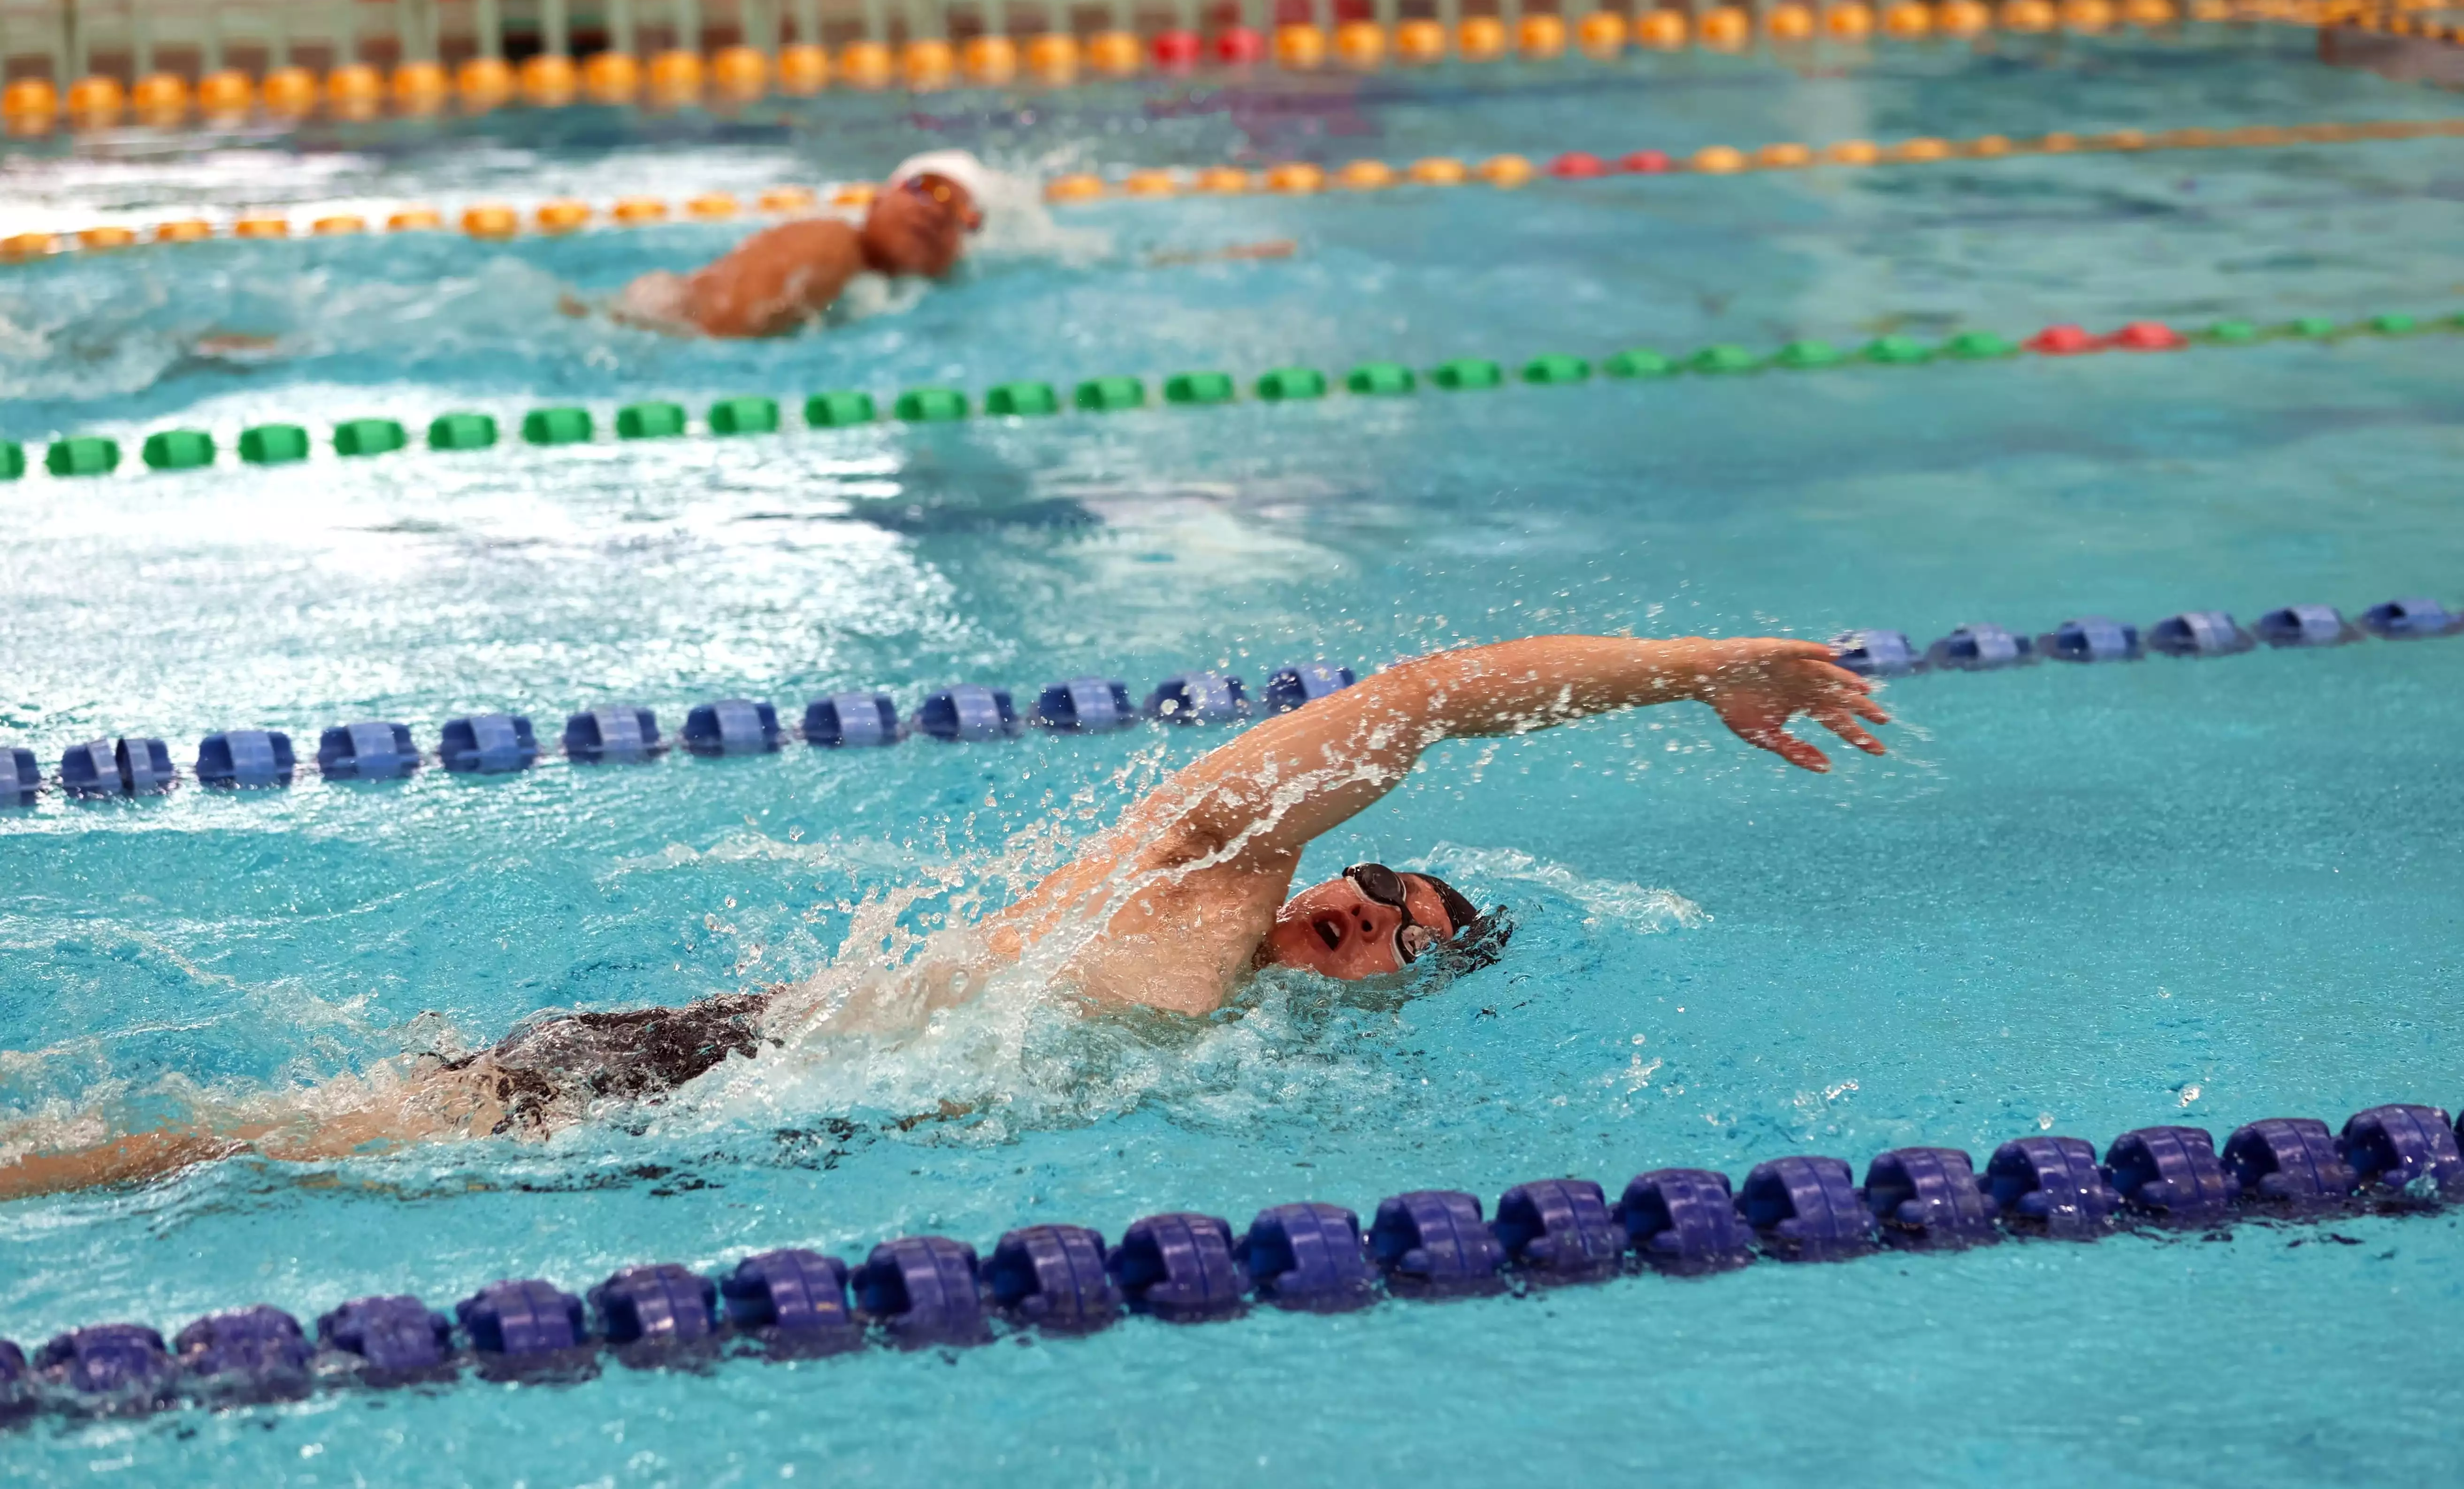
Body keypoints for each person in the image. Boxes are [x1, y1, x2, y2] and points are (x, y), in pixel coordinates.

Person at [0, 632, 1885, 1199]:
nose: (1363, 897)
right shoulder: (1199, 879)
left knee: (256, 1145)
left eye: (1404, 920)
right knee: (226, 1147)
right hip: (691, 1064)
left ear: (1402, 984)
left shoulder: (1252, 1047)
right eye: (1374, 871)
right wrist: (1686, 668)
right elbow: (1412, 702)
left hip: (748, 1129)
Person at [585, 149, 991, 337]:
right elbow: (716, 332)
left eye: (962, 215)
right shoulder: (832, 244)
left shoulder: (875, 284)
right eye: (927, 188)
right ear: (877, 200)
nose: (938, 211)